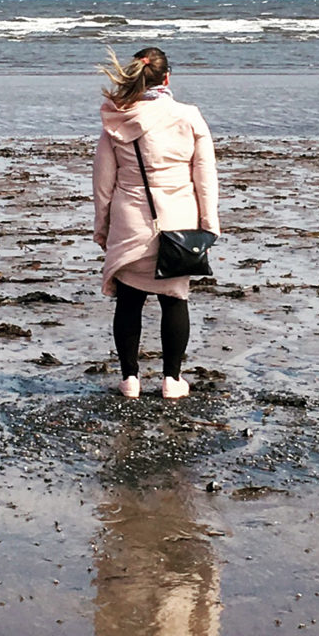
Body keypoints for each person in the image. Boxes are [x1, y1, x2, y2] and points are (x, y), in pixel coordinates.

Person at [92, 46, 219, 399]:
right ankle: (172, 380)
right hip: (179, 222)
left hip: (130, 219)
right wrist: (209, 225)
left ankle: (130, 379)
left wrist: (102, 227)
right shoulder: (189, 116)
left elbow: (103, 182)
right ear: (167, 78)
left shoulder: (117, 119)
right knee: (174, 299)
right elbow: (205, 177)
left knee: (128, 301)